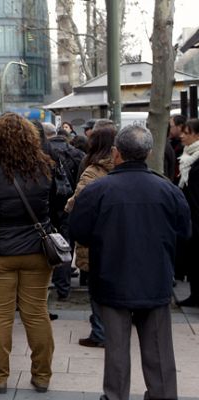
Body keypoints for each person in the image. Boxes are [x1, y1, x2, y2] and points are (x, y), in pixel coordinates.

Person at [69, 125, 191, 400]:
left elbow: (79, 231)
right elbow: (184, 235)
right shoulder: (168, 190)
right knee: (158, 348)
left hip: (111, 277)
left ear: (116, 152)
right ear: (148, 153)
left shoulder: (98, 189)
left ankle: (115, 396)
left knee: (116, 349)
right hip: (156, 278)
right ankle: (162, 395)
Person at [0, 113, 55, 394]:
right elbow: (54, 201)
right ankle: (42, 376)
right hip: (36, 249)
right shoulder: (44, 167)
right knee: (36, 313)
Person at [64, 127, 116, 348]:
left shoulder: (93, 172)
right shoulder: (122, 169)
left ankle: (100, 332)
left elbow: (77, 202)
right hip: (120, 238)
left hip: (97, 239)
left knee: (96, 288)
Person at [43, 122, 85, 302]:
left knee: (48, 244)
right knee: (66, 244)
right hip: (70, 206)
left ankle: (47, 282)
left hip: (47, 207)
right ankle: (63, 287)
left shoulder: (42, 154)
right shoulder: (76, 153)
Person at [176, 118, 199, 307]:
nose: (182, 135)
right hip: (191, 215)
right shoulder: (187, 157)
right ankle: (195, 294)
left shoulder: (195, 158)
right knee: (193, 259)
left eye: (187, 132)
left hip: (196, 216)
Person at [169, 114, 187, 184]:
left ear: (180, 127)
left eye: (171, 126)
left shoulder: (184, 146)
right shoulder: (173, 142)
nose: (169, 129)